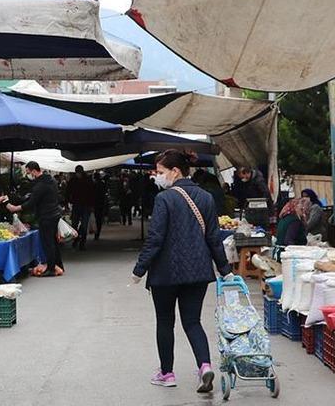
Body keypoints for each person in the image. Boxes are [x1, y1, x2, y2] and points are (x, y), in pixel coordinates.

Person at [132, 150, 232, 393]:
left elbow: (155, 239)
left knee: (165, 321)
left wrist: (139, 269)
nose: (158, 176)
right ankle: (205, 366)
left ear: (175, 171)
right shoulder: (206, 198)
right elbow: (214, 238)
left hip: (165, 274)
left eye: (161, 172)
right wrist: (225, 270)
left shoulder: (165, 199)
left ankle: (167, 374)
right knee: (193, 322)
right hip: (198, 272)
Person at [6, 161, 64, 277]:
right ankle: (58, 265)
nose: (28, 175)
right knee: (53, 241)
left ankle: (51, 269)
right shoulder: (51, 180)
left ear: (33, 171)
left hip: (46, 216)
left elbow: (32, 202)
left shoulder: (41, 185)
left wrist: (16, 208)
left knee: (48, 242)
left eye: (28, 172)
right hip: (54, 214)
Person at [66, 165, 95, 250]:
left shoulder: (87, 180)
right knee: (75, 225)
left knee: (84, 225)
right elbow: (68, 192)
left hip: (85, 206)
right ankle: (76, 239)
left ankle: (82, 242)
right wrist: (67, 202)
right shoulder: (73, 180)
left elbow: (92, 194)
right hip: (77, 205)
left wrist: (92, 205)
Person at [93, 172, 108, 240]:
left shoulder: (94, 184)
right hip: (101, 203)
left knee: (96, 218)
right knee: (99, 219)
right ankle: (97, 233)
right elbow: (105, 192)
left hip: (95, 204)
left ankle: (96, 233)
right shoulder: (102, 184)